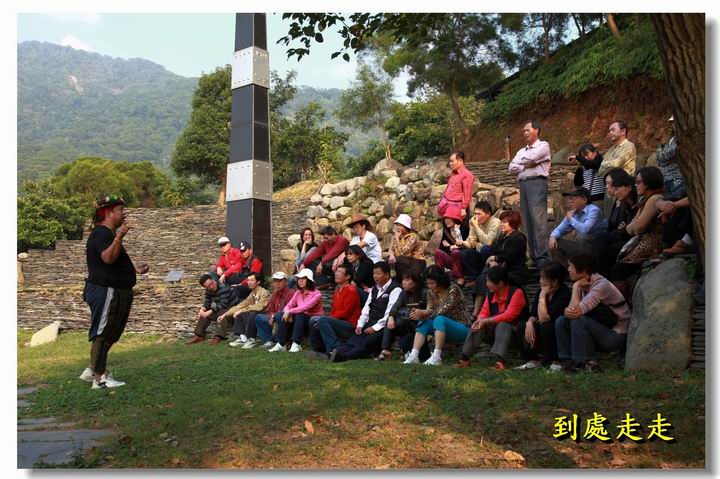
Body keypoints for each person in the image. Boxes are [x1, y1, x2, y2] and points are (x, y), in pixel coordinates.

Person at [79, 195, 149, 389]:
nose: (123, 213)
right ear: (109, 212)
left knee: (110, 333)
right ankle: (99, 379)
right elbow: (107, 258)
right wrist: (119, 236)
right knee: (103, 333)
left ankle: (93, 369)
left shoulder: (106, 234)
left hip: (115, 290)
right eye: (120, 210)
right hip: (106, 290)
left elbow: (112, 261)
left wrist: (133, 268)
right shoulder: (102, 233)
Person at [555, 251, 632, 372]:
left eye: (571, 266)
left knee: (578, 320)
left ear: (583, 270)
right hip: (600, 331)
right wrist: (576, 290)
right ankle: (567, 361)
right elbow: (570, 313)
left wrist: (575, 287)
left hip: (617, 337)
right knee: (561, 321)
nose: (568, 269)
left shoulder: (601, 285)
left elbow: (575, 312)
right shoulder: (583, 284)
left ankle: (585, 362)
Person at [455, 266, 528, 371]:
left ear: (500, 283)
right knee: (477, 324)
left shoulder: (517, 293)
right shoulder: (491, 294)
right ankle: (464, 358)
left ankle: (500, 362)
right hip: (494, 332)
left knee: (503, 325)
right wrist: (480, 320)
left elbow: (508, 316)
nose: (486, 284)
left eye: (489, 281)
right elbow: (484, 311)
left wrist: (486, 321)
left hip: (516, 334)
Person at [608, 166, 666, 299]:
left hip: (652, 243)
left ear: (649, 182)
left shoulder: (654, 198)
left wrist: (633, 225)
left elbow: (637, 228)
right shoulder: (644, 200)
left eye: (639, 182)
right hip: (642, 240)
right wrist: (632, 225)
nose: (636, 185)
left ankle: (620, 304)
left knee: (617, 270)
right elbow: (631, 228)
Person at [330, 261, 401, 362]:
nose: (375, 276)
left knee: (365, 343)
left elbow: (390, 313)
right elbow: (366, 308)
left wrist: (375, 328)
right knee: (353, 340)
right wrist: (360, 324)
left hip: (383, 327)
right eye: (374, 274)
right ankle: (333, 353)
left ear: (387, 275)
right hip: (369, 323)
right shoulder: (375, 288)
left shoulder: (395, 289)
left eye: (378, 274)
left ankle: (344, 357)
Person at [403, 265, 473, 366]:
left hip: (462, 326)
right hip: (441, 328)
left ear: (440, 281)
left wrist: (424, 313)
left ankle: (437, 356)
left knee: (439, 319)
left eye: (432, 283)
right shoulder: (431, 292)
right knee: (424, 322)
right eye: (427, 283)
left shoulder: (453, 289)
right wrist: (420, 314)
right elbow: (430, 309)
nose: (429, 286)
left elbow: (443, 310)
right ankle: (414, 355)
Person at [508, 120, 551, 266]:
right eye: (524, 131)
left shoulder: (543, 145)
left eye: (528, 130)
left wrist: (521, 164)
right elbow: (511, 167)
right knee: (526, 221)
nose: (525, 133)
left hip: (537, 182)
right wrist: (525, 165)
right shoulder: (521, 151)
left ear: (537, 130)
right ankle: (532, 256)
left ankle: (542, 256)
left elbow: (532, 158)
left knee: (538, 220)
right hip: (523, 184)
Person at [514, 262, 571, 371]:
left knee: (546, 325)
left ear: (554, 282)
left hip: (555, 333)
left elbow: (544, 318)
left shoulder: (564, 293)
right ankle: (532, 360)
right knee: (522, 325)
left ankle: (553, 361)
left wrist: (542, 296)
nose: (540, 281)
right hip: (542, 329)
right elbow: (534, 314)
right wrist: (529, 323)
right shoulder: (541, 290)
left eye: (543, 278)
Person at [472, 210, 528, 317]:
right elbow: (492, 252)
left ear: (513, 223)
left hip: (514, 271)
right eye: (501, 221)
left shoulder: (518, 237)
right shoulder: (500, 237)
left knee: (490, 279)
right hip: (499, 269)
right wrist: (493, 261)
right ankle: (476, 312)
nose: (501, 224)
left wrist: (496, 258)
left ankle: (485, 312)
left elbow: (511, 256)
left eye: (505, 222)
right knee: (482, 278)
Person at [655, 115, 695, 255]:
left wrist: (662, 147)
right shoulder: (672, 139)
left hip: (680, 178)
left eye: (676, 121)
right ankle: (672, 241)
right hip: (668, 179)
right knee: (667, 206)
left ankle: (682, 242)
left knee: (675, 205)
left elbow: (666, 155)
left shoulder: (683, 138)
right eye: (672, 122)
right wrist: (662, 147)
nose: (674, 124)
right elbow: (660, 160)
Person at [306, 264, 362, 359]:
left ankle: (335, 350)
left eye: (340, 272)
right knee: (313, 320)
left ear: (347, 276)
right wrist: (326, 319)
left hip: (350, 326)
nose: (336, 274)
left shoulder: (351, 290)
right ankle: (319, 350)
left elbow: (345, 312)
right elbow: (334, 310)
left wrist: (327, 319)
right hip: (338, 322)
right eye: (336, 271)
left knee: (321, 320)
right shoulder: (337, 290)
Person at [592, 169, 638, 277]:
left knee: (601, 238)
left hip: (630, 239)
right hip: (618, 236)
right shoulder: (619, 201)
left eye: (610, 183)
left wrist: (625, 228)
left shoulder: (632, 202)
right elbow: (614, 227)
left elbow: (630, 227)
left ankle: (596, 275)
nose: (607, 187)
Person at [377, 269, 430, 362]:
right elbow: (396, 306)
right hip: (407, 320)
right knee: (391, 321)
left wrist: (421, 313)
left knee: (406, 324)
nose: (403, 282)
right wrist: (391, 317)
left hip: (421, 321)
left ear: (415, 281)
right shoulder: (404, 292)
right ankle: (385, 350)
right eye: (403, 280)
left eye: (407, 280)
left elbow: (431, 309)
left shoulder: (424, 292)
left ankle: (409, 352)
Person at [548, 187, 608, 268]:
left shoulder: (594, 210)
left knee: (583, 237)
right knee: (555, 243)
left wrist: (571, 219)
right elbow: (560, 229)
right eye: (570, 198)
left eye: (574, 198)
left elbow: (585, 230)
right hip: (581, 245)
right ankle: (565, 273)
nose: (570, 201)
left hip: (596, 246)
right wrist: (552, 237)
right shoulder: (573, 213)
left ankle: (584, 271)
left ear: (584, 199)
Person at [269, 268, 324, 353]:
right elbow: (289, 305)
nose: (300, 281)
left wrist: (289, 312)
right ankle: (281, 343)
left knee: (300, 314)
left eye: (303, 278)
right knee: (279, 314)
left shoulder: (317, 294)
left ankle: (296, 343)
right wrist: (286, 311)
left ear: (309, 280)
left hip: (312, 322)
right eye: (299, 279)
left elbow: (305, 307)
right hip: (299, 320)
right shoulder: (298, 292)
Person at [218, 273, 270, 348]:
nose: (249, 282)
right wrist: (225, 314)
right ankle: (243, 338)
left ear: (258, 282)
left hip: (265, 316)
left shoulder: (264, 293)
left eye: (252, 280)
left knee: (251, 313)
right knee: (239, 313)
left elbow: (259, 307)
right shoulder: (253, 293)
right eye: (248, 280)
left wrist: (242, 310)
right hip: (255, 315)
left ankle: (252, 339)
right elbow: (241, 305)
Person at [186, 273, 240, 345]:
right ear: (205, 287)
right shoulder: (208, 290)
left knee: (221, 314)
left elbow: (224, 304)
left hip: (233, 309)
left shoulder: (223, 287)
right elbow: (207, 302)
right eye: (208, 286)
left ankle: (218, 337)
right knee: (204, 315)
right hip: (221, 309)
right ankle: (199, 336)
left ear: (213, 279)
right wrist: (202, 309)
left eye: (211, 283)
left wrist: (210, 311)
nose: (211, 286)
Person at [598, 121, 637, 218]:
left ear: (623, 131)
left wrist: (605, 164)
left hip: (623, 188)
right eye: (609, 131)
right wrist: (608, 165)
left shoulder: (629, 146)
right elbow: (600, 171)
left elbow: (618, 163)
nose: (610, 133)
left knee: (620, 217)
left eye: (613, 130)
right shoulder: (610, 150)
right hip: (609, 187)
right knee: (609, 216)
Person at [458, 201, 501, 284]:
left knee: (485, 249)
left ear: (488, 214)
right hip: (481, 251)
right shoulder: (475, 222)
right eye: (475, 214)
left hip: (493, 253)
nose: (476, 217)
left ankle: (484, 278)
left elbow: (488, 242)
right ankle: (476, 279)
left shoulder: (495, 222)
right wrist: (462, 242)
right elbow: (471, 242)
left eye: (479, 214)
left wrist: (476, 226)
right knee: (463, 253)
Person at [255, 272, 296, 349]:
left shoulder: (291, 293)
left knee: (279, 316)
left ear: (285, 282)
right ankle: (269, 340)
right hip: (275, 318)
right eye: (275, 281)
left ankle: (281, 341)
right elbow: (270, 309)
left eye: (280, 281)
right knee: (259, 317)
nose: (277, 283)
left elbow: (289, 309)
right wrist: (272, 316)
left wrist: (274, 316)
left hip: (286, 319)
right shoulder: (274, 294)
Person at [433, 206, 468, 283]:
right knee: (438, 252)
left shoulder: (464, 229)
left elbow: (467, 247)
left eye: (448, 218)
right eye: (445, 218)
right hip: (451, 259)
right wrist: (451, 247)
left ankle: (459, 277)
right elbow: (442, 247)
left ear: (455, 218)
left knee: (456, 252)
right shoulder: (446, 231)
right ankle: (439, 276)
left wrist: (452, 247)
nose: (446, 221)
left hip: (462, 261)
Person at [438, 150, 475, 221]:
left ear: (460, 161)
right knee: (447, 227)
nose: (450, 163)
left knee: (457, 227)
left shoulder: (467, 175)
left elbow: (467, 193)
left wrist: (463, 208)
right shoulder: (453, 174)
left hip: (457, 209)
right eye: (450, 161)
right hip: (447, 208)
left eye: (452, 161)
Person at [388, 214, 426, 280]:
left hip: (416, 261)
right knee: (388, 260)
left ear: (406, 227)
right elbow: (391, 249)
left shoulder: (413, 237)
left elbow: (404, 253)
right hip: (404, 259)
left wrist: (397, 240)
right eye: (397, 225)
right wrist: (391, 255)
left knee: (399, 260)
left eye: (400, 225)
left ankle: (401, 281)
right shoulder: (396, 236)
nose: (398, 227)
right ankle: (392, 281)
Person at [568, 144, 606, 208]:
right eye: (583, 156)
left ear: (595, 152)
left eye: (587, 154)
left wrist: (577, 157)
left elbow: (592, 164)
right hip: (586, 200)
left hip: (599, 199)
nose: (585, 158)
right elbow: (577, 183)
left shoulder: (601, 161)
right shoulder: (584, 167)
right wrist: (579, 167)